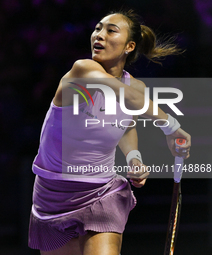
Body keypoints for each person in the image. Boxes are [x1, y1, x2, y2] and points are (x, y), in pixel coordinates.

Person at [28, 9, 191, 255]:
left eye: (110, 30)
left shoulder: (135, 86)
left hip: (101, 191)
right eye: (97, 29)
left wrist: (133, 157)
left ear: (129, 46)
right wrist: (171, 125)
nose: (99, 35)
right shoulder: (82, 70)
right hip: (54, 194)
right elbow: (123, 95)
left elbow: (126, 125)